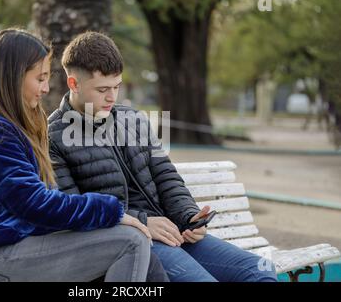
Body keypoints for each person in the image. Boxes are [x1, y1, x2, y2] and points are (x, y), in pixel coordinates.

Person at [48, 31, 278, 282]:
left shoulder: (133, 119)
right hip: (128, 241)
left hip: (173, 231)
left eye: (116, 87)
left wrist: (189, 216)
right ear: (74, 84)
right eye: (102, 89)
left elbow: (165, 174)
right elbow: (72, 209)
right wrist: (144, 222)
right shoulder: (52, 136)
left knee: (260, 269)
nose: (112, 97)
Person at [0, 28, 165, 282]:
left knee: (138, 248)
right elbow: (35, 203)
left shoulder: (8, 122)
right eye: (40, 78)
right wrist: (109, 210)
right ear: (13, 77)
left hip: (20, 246)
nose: (46, 88)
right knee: (131, 241)